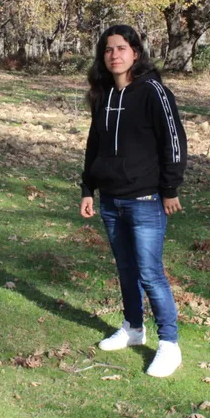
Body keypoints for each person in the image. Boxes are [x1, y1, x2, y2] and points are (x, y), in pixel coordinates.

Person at [80, 24, 187, 378]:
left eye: (121, 48)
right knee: (126, 269)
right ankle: (133, 327)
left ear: (135, 53)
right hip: (111, 201)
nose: (114, 55)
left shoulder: (153, 92)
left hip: (145, 200)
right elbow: (94, 145)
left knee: (150, 272)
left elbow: (174, 142)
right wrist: (87, 189)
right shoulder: (103, 94)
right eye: (108, 49)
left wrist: (169, 189)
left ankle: (169, 344)